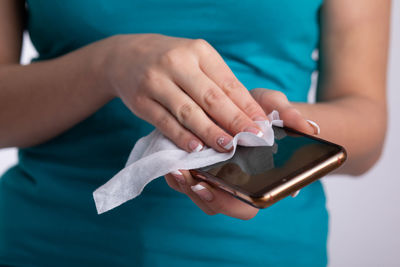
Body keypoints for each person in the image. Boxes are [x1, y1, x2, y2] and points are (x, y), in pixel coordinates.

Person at [0, 0, 390, 266]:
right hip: (46, 245)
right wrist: (108, 64)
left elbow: (366, 122)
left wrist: (268, 127)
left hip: (264, 253)